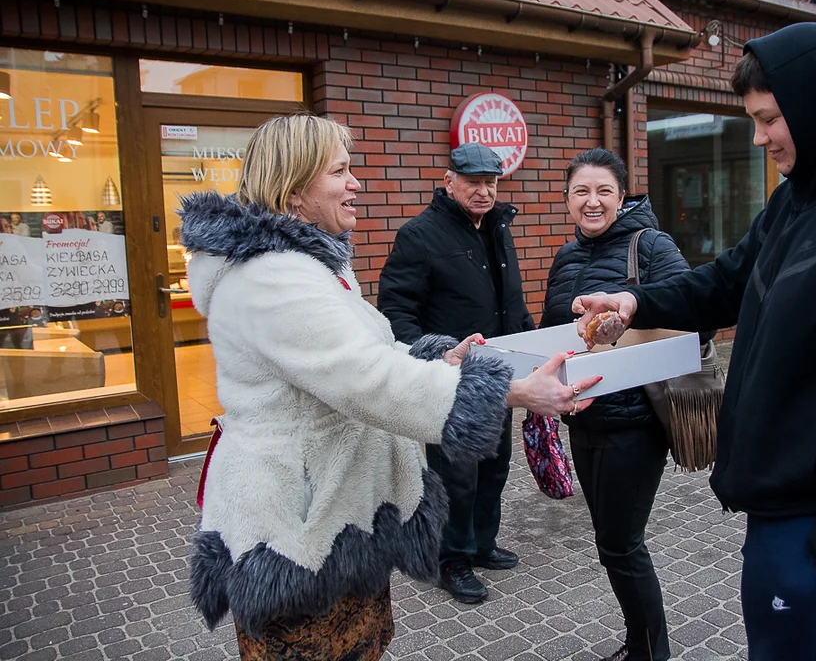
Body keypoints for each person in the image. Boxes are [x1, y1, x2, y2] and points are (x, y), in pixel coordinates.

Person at [573, 21, 816, 661]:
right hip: (796, 501)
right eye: (753, 119)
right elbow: (728, 279)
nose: (759, 137)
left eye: (771, 119)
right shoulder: (802, 197)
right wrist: (635, 300)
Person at [183, 115, 595, 660]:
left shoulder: (310, 265)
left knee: (363, 643)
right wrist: (508, 392)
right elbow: (366, 380)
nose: (357, 183)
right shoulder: (271, 276)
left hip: (336, 511)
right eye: (340, 171)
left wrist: (440, 356)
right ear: (294, 188)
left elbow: (372, 352)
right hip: (298, 529)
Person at [542, 148, 695, 661]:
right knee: (613, 545)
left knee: (622, 545)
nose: (592, 201)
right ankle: (640, 643)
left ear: (621, 196)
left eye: (604, 191)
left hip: (635, 422)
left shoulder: (649, 246)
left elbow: (696, 317)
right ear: (566, 200)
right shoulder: (565, 257)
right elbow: (553, 337)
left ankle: (651, 652)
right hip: (584, 418)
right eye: (581, 191)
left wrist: (629, 320)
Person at [378, 142, 535, 604]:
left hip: (498, 372)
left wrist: (528, 345)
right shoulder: (419, 235)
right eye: (474, 182)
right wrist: (435, 356)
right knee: (455, 477)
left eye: (491, 182)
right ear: (449, 182)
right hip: (451, 380)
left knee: (495, 467)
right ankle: (452, 561)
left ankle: (482, 543)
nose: (484, 191)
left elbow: (512, 302)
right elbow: (397, 311)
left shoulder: (498, 227)